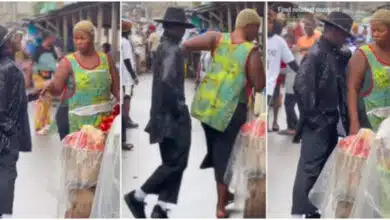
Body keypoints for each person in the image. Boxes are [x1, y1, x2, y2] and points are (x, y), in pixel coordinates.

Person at [183, 8, 265, 218]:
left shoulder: (217, 39)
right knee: (224, 155)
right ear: (250, 26)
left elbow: (186, 45)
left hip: (206, 109)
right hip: (230, 112)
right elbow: (260, 84)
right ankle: (220, 205)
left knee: (218, 152)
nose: (257, 32)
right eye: (257, 28)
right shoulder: (250, 51)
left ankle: (224, 193)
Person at [124, 7, 194, 218]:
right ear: (172, 27)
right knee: (176, 163)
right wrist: (180, 109)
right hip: (171, 118)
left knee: (172, 162)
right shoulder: (172, 49)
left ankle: (162, 207)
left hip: (161, 116)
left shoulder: (165, 46)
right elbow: (166, 83)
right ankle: (138, 196)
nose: (182, 31)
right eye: (180, 27)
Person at [291, 12, 353, 218]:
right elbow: (301, 87)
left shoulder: (334, 53)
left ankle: (312, 208)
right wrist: (315, 119)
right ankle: (302, 210)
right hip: (318, 122)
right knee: (310, 168)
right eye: (343, 34)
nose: (345, 39)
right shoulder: (316, 54)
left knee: (322, 167)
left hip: (329, 122)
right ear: (334, 32)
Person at [41, 20, 120, 139]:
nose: (78, 42)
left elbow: (116, 90)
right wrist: (50, 88)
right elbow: (57, 89)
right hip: (77, 126)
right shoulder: (68, 62)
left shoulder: (106, 60)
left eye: (82, 38)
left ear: (92, 38)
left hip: (103, 124)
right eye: (75, 38)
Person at [0, 25, 32, 218]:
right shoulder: (12, 70)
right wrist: (8, 130)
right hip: (6, 134)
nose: (17, 41)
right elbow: (8, 106)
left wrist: (31, 97)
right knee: (6, 173)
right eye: (13, 38)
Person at [347, 9, 390, 134]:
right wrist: (354, 123)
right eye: (373, 30)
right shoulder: (363, 55)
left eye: (380, 30)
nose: (375, 34)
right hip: (369, 123)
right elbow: (352, 90)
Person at [267, 7, 300, 132]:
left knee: (270, 105)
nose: (268, 25)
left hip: (270, 83)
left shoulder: (280, 41)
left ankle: (272, 123)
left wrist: (304, 74)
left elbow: (291, 62)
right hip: (258, 82)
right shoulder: (258, 40)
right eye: (267, 21)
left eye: (270, 22)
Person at [32, 31, 58, 135]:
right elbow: (34, 64)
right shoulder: (38, 49)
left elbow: (54, 62)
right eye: (53, 38)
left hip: (49, 77)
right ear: (47, 38)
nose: (54, 40)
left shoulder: (52, 49)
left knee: (48, 101)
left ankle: (46, 124)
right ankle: (39, 127)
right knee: (41, 101)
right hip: (39, 78)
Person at [121, 20, 139, 151]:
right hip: (126, 79)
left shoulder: (122, 42)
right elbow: (127, 60)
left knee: (124, 102)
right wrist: (134, 76)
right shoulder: (125, 43)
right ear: (128, 31)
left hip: (123, 78)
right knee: (126, 102)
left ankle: (126, 119)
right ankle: (126, 120)